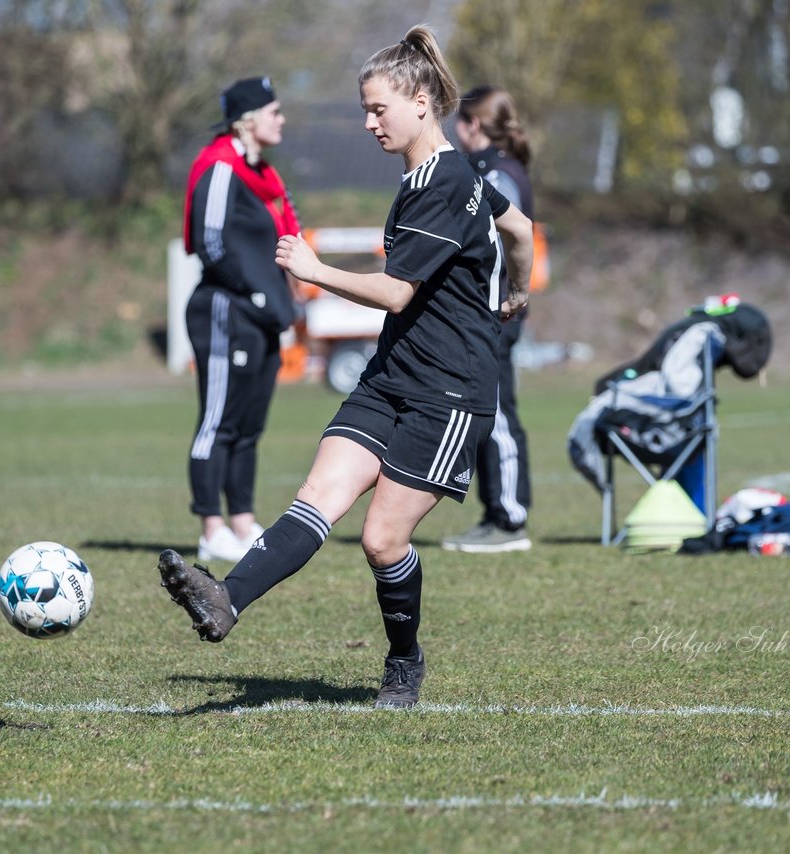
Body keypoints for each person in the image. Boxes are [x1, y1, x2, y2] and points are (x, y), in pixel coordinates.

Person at [157, 25, 534, 710]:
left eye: (377, 109)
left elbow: (395, 291)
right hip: (391, 377)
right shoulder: (446, 177)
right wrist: (518, 287)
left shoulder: (445, 183)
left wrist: (314, 269)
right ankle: (225, 599)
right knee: (316, 499)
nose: (367, 123)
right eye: (364, 109)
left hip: (448, 395)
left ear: (421, 101)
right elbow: (517, 230)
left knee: (382, 540)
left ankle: (404, 661)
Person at [181, 77, 301, 563]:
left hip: (264, 317)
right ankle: (212, 530)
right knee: (219, 422)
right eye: (274, 111)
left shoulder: (264, 176)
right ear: (247, 120)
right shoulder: (220, 169)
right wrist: (251, 292)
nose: (282, 119)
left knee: (249, 426)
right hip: (227, 311)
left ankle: (243, 522)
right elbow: (208, 243)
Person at [441, 84, 535, 554]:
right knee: (485, 414)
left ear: (473, 124)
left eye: (458, 121)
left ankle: (510, 517)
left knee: (497, 417)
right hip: (483, 315)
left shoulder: (500, 175)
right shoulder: (485, 170)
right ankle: (493, 511)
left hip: (497, 314)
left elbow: (502, 244)